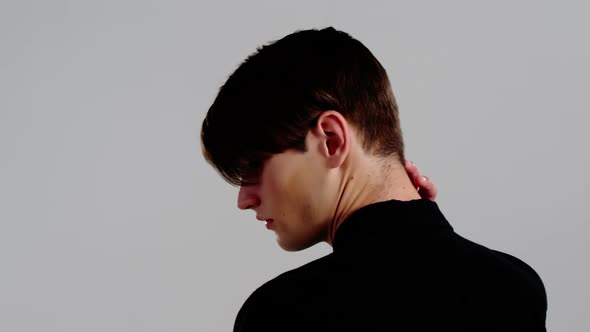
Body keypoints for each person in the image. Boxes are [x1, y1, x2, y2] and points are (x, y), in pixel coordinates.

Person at [201, 27, 547, 331]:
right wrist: (417, 235)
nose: (244, 200)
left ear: (331, 140)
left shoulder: (281, 313)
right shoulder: (516, 287)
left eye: (254, 168)